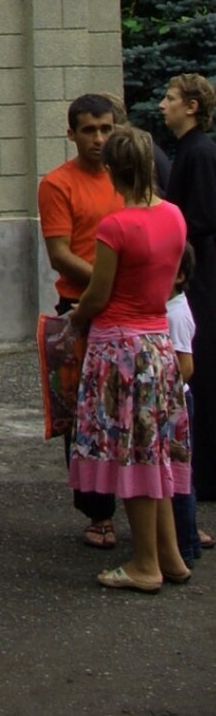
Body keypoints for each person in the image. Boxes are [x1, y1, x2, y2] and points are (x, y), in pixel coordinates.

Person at [68, 124, 191, 591]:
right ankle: (170, 557)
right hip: (159, 347)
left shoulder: (115, 225)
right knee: (155, 450)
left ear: (112, 170)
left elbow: (99, 294)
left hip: (120, 350)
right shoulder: (175, 216)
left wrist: (77, 317)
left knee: (136, 456)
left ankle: (144, 565)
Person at [37, 91, 125, 550]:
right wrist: (112, 280)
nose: (98, 139)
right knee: (86, 415)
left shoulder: (126, 178)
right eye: (88, 130)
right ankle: (97, 513)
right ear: (71, 134)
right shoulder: (57, 184)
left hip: (129, 309)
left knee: (134, 408)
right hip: (81, 310)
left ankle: (158, 509)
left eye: (106, 129)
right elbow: (60, 253)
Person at [161, 73, 216, 507]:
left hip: (199, 276)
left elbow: (198, 217)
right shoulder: (189, 151)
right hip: (194, 272)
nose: (163, 105)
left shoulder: (198, 153)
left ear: (192, 106)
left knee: (203, 365)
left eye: (171, 98)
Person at [167, 243, 200, 568]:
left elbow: (185, 365)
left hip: (176, 403)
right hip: (172, 400)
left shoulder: (176, 313)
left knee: (179, 477)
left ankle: (186, 542)